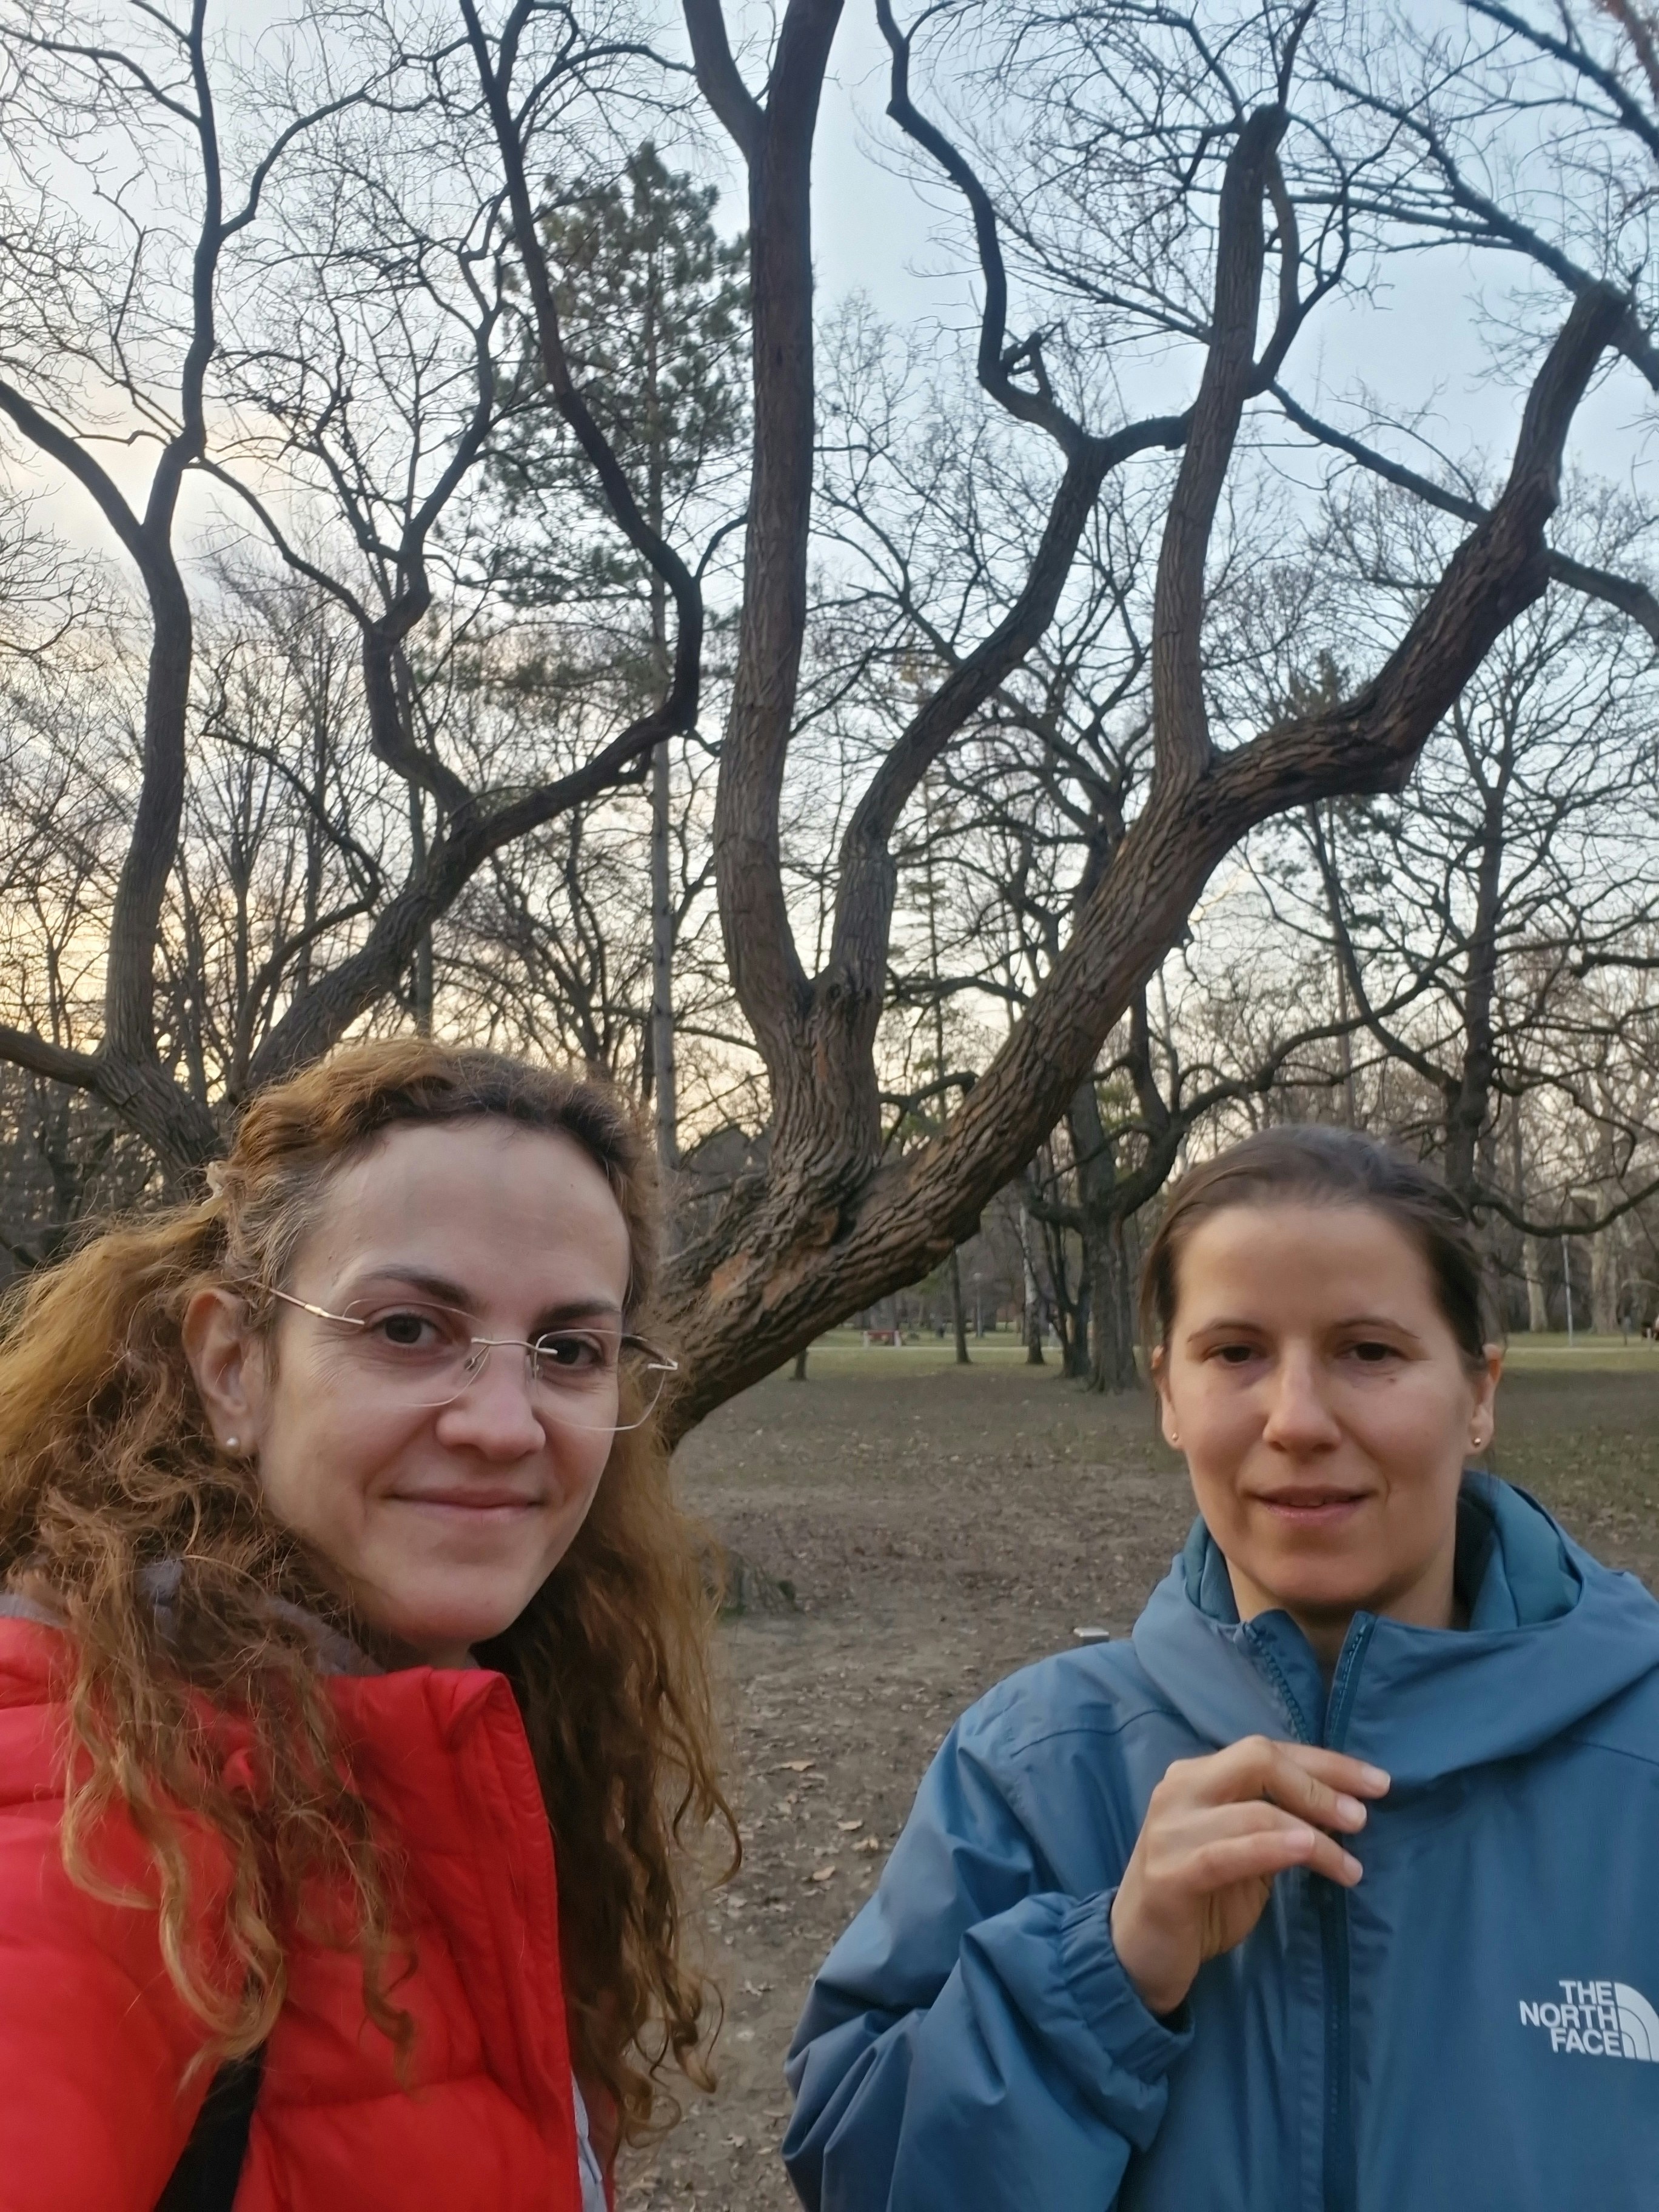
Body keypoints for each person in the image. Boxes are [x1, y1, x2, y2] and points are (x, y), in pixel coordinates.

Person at [783, 1126, 1659, 2211]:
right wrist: (1103, 1975)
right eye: (1236, 1353)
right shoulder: (1029, 1768)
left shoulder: (1641, 1765)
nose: (1296, 1420)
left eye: (1369, 1352)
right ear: (1167, 1392)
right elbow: (857, 2175)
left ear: (1479, 1392)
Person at [0, 1039, 731, 2211]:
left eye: (568, 1351)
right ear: (234, 1366)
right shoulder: (93, 1816)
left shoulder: (503, 1726)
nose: (505, 1422)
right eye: (407, 1330)